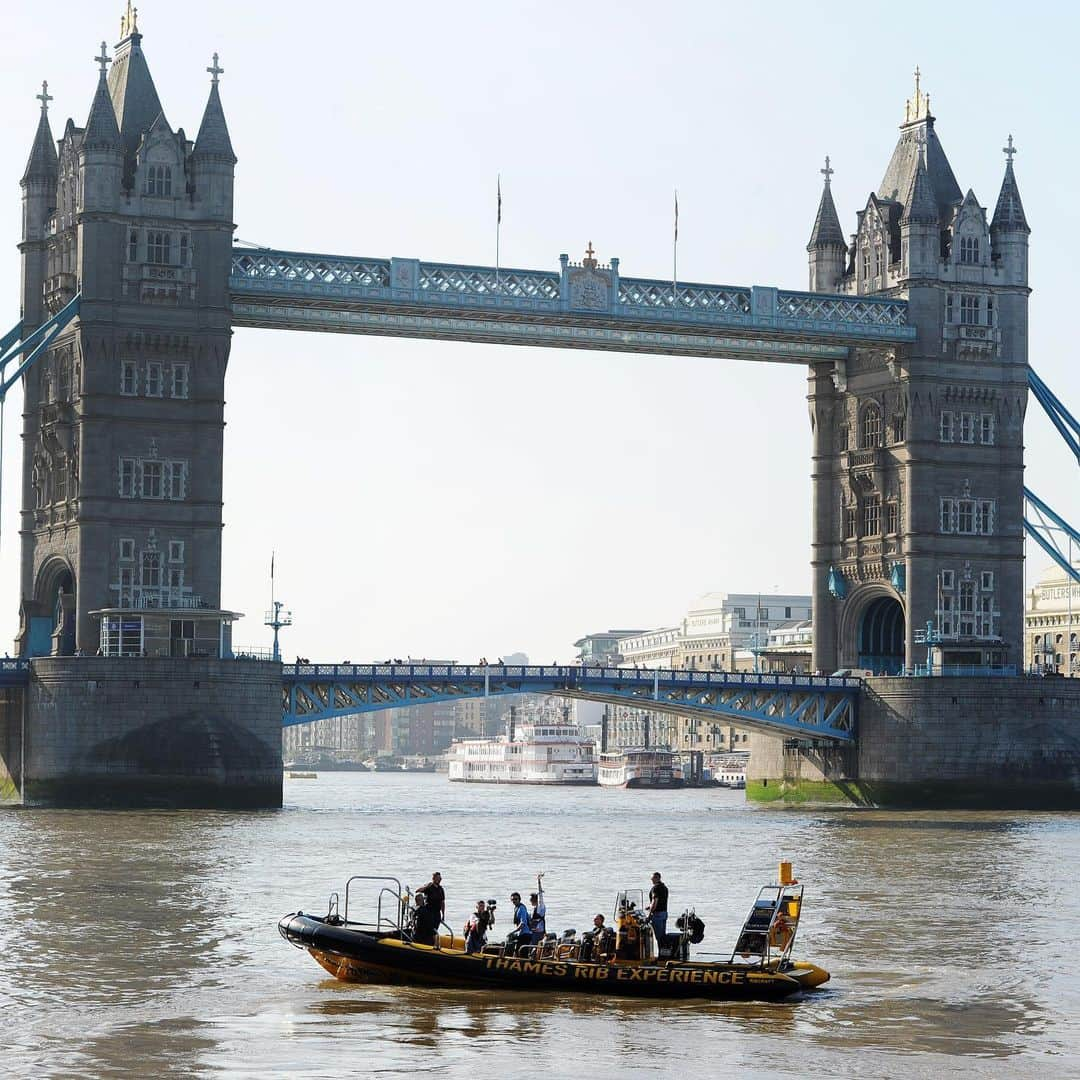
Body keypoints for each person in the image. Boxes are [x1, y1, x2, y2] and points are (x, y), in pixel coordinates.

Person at [648, 872, 669, 941]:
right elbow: (661, 901)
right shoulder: (664, 888)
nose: (651, 879)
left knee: (659, 937)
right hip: (664, 913)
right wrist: (649, 906)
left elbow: (655, 901)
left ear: (657, 878)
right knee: (663, 936)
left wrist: (650, 914)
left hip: (657, 915)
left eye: (653, 878)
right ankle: (664, 950)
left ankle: (661, 951)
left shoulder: (655, 888)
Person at [528, 879, 546, 945]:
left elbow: (540, 895)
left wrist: (539, 882)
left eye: (531, 899)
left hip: (539, 932)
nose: (530, 900)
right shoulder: (534, 908)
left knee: (534, 946)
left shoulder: (540, 907)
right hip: (533, 931)